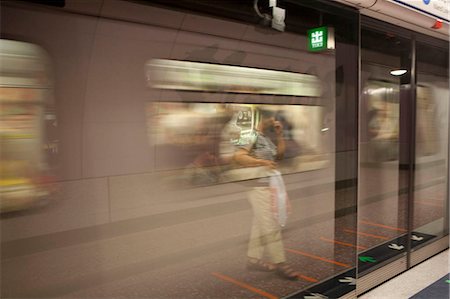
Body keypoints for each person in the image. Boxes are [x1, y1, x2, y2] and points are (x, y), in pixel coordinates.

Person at [234, 108, 299, 280]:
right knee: (271, 225)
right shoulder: (249, 134)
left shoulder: (265, 137)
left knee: (260, 223)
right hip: (257, 186)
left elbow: (279, 157)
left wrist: (280, 135)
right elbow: (239, 156)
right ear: (263, 118)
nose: (273, 121)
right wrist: (261, 162)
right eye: (271, 118)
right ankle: (281, 263)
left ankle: (253, 259)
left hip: (269, 185)